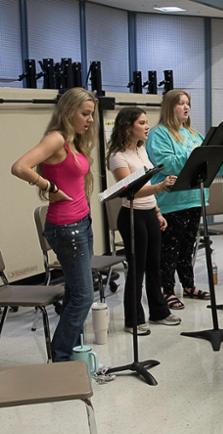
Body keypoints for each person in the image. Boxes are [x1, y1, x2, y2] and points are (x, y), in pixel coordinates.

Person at [10, 88, 97, 361]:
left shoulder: (74, 141)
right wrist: (48, 186)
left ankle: (73, 352)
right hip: (67, 227)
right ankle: (61, 356)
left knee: (75, 293)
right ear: (68, 112)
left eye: (92, 114)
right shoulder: (56, 138)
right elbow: (20, 166)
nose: (90, 120)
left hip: (81, 222)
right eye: (85, 114)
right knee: (83, 297)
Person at [107, 107, 182, 335]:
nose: (147, 126)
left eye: (146, 122)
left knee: (154, 266)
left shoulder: (141, 150)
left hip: (149, 213)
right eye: (141, 123)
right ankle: (133, 319)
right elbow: (129, 191)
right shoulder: (118, 157)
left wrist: (158, 212)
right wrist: (160, 186)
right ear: (128, 127)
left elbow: (147, 190)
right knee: (137, 269)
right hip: (132, 216)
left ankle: (158, 311)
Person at [146, 89, 218, 310]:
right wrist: (196, 154)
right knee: (170, 248)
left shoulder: (194, 134)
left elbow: (206, 162)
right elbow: (166, 163)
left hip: (194, 197)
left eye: (188, 103)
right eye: (180, 104)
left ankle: (188, 284)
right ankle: (166, 290)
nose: (186, 107)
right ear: (169, 107)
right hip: (171, 201)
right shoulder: (159, 134)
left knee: (188, 246)